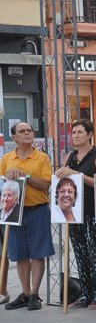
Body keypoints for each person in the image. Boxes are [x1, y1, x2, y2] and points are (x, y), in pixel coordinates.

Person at [56, 119, 96, 309]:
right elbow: (63, 178)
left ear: (89, 134)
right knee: (80, 253)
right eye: (74, 132)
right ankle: (85, 294)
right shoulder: (69, 156)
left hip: (92, 211)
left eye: (80, 132)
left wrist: (76, 174)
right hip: (74, 211)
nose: (76, 136)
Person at [1, 122, 53, 311]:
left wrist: (26, 176)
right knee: (19, 253)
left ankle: (35, 294)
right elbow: (2, 185)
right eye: (22, 131)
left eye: (29, 131)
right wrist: (8, 176)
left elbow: (46, 184)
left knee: (38, 253)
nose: (27, 133)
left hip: (37, 209)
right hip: (15, 213)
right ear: (13, 137)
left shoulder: (42, 158)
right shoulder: (7, 158)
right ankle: (24, 292)